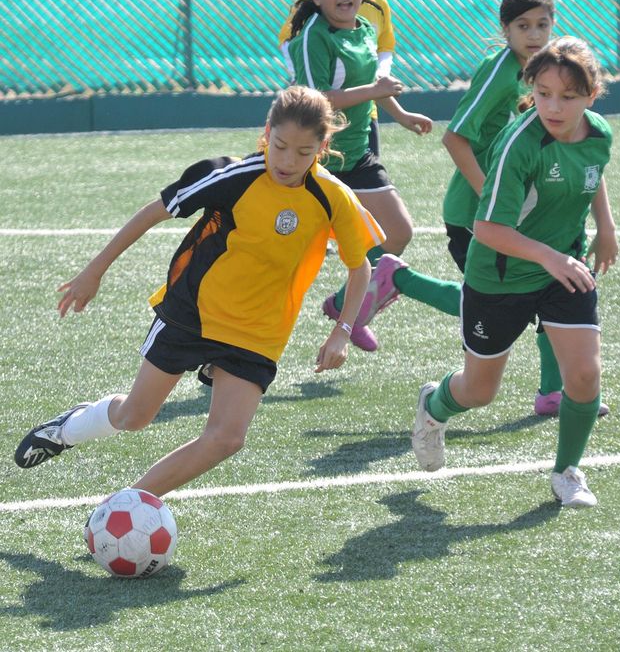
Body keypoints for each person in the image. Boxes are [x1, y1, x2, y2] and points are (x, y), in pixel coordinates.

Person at [14, 86, 384, 499]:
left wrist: (342, 331)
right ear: (267, 133)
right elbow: (153, 212)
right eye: (280, 146)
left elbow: (360, 267)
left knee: (227, 438)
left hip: (259, 331)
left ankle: (124, 506)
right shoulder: (232, 175)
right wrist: (94, 270)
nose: (288, 161)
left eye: (303, 152)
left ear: (322, 146)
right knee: (135, 415)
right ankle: (66, 430)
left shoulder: (333, 197)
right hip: (194, 311)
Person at [357, 0, 609, 416]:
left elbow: (583, 152)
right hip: (479, 213)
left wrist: (604, 224)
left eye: (542, 24)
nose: (534, 34)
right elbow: (454, 138)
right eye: (523, 26)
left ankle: (552, 392)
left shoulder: (551, 75)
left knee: (555, 289)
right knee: (498, 301)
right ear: (505, 28)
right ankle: (399, 279)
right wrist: (494, 202)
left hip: (528, 214)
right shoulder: (500, 72)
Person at [411, 36, 618, 508]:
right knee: (479, 391)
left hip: (563, 268)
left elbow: (593, 170)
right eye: (543, 93)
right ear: (531, 88)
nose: (554, 106)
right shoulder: (519, 145)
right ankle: (434, 405)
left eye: (568, 96)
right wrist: (548, 256)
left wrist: (605, 227)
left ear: (591, 96)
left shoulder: (599, 133)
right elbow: (487, 229)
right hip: (500, 276)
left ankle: (567, 472)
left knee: (585, 375)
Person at [288, 0, 433, 353]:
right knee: (286, 257)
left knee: (398, 232)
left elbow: (374, 87)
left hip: (356, 154)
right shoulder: (313, 37)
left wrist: (402, 116)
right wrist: (374, 90)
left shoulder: (366, 28)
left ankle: (343, 305)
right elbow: (315, 100)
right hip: (315, 159)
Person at [278, 0, 396, 156]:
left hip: (363, 111)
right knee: (320, 166)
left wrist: (383, 82)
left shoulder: (373, 9)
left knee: (366, 165)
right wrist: (297, 75)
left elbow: (385, 46)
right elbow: (289, 40)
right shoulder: (313, 21)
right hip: (322, 116)